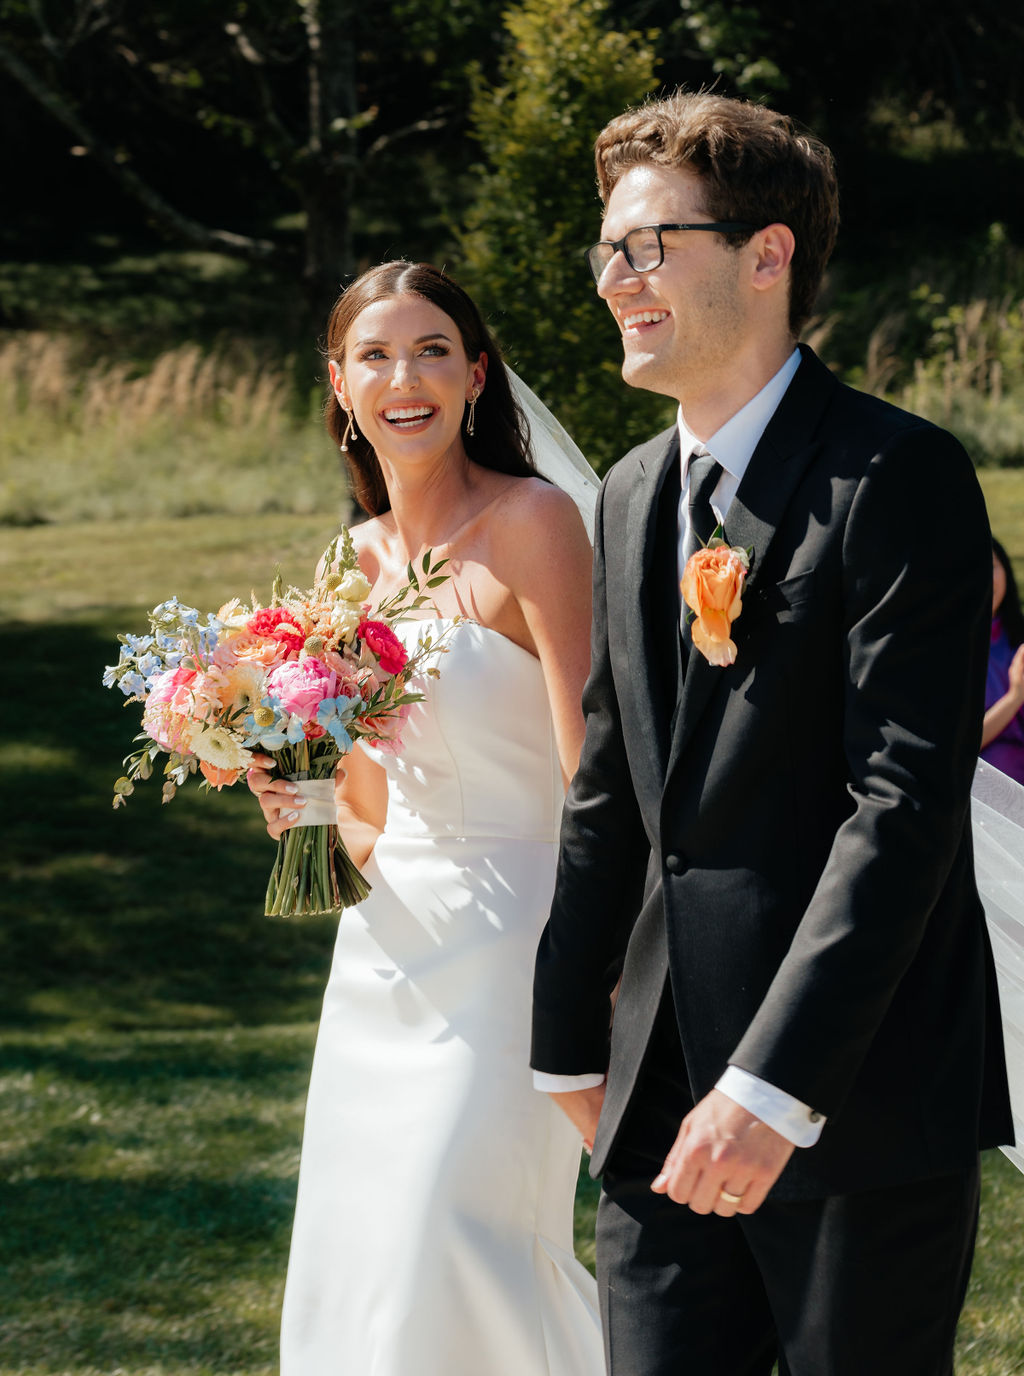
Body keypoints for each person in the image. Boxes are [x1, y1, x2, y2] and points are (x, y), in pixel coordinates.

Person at [531, 90, 1014, 1376]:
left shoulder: (894, 475)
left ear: (767, 252)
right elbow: (611, 787)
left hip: (848, 1099)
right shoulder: (632, 495)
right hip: (653, 1106)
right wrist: (563, 1037)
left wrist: (769, 1089)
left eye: (646, 247)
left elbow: (900, 806)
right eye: (606, 254)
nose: (614, 282)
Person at [248, 261, 604, 1376]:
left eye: (433, 350)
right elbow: (367, 809)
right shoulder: (348, 565)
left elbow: (595, 772)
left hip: (514, 945)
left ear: (475, 374)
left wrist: (597, 966)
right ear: (339, 387)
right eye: (376, 355)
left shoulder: (536, 524)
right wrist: (293, 801)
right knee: (364, 1254)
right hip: (384, 951)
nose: (405, 377)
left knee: (457, 1242)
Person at [982, 537, 1024, 782]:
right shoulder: (945, 652)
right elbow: (960, 746)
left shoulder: (1017, 637)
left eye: (992, 566)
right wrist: (1015, 697)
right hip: (982, 798)